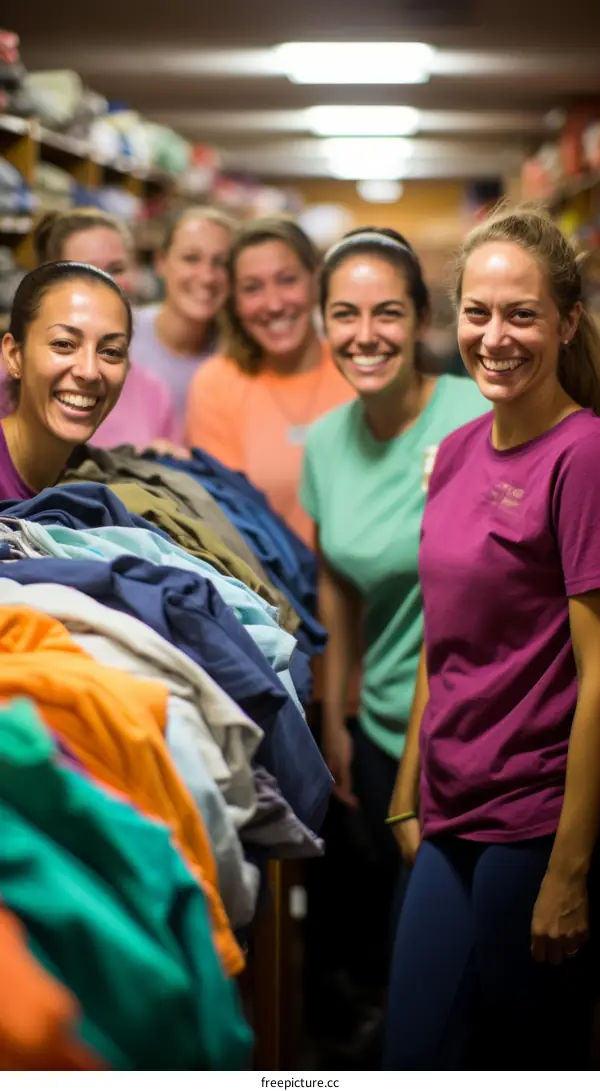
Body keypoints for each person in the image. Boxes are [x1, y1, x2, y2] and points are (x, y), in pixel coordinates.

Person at [384, 206, 600, 1071]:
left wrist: (571, 869)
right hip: (447, 814)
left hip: (534, 826)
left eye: (522, 314)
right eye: (479, 312)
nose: (496, 336)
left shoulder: (582, 457)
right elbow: (446, 642)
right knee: (413, 1054)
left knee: (526, 1065)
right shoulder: (460, 448)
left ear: (567, 322)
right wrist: (408, 792)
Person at [298, 228, 487, 1024]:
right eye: (345, 313)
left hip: (475, 734)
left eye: (386, 312)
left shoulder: (477, 414)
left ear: (419, 321)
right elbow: (338, 578)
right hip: (380, 728)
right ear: (322, 324)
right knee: (398, 930)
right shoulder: (326, 443)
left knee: (447, 958)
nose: (365, 334)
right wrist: (337, 715)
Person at [186, 216, 354, 546]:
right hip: (263, 588)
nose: (274, 304)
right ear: (234, 301)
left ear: (316, 280)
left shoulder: (358, 369)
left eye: (287, 280)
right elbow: (228, 516)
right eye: (252, 288)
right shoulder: (216, 384)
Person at [31, 208, 180, 452]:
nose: (106, 283)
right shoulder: (12, 382)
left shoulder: (153, 392)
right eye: (85, 269)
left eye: (117, 268)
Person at [0, 261, 131, 500]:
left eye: (111, 351)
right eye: (63, 344)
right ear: (14, 356)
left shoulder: (86, 487)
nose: (90, 371)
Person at [130, 207, 236, 435]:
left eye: (220, 263)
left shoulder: (240, 357)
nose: (207, 276)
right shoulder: (123, 337)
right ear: (161, 262)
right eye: (191, 258)